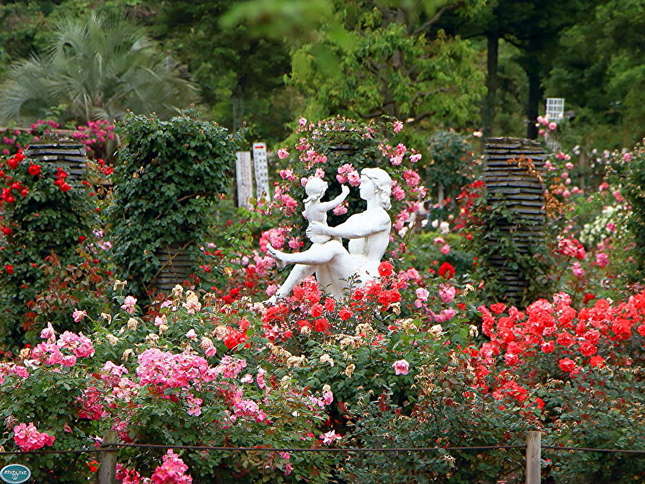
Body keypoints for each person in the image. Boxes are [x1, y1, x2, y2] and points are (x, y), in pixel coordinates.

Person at [267, 167, 392, 300]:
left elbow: (357, 231)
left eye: (365, 182)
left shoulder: (382, 217)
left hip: (367, 280)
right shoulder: (357, 217)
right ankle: (277, 297)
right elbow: (336, 233)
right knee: (320, 246)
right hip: (349, 273)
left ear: (377, 187)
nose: (360, 186)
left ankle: (288, 259)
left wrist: (325, 230)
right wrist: (316, 222)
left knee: (335, 247)